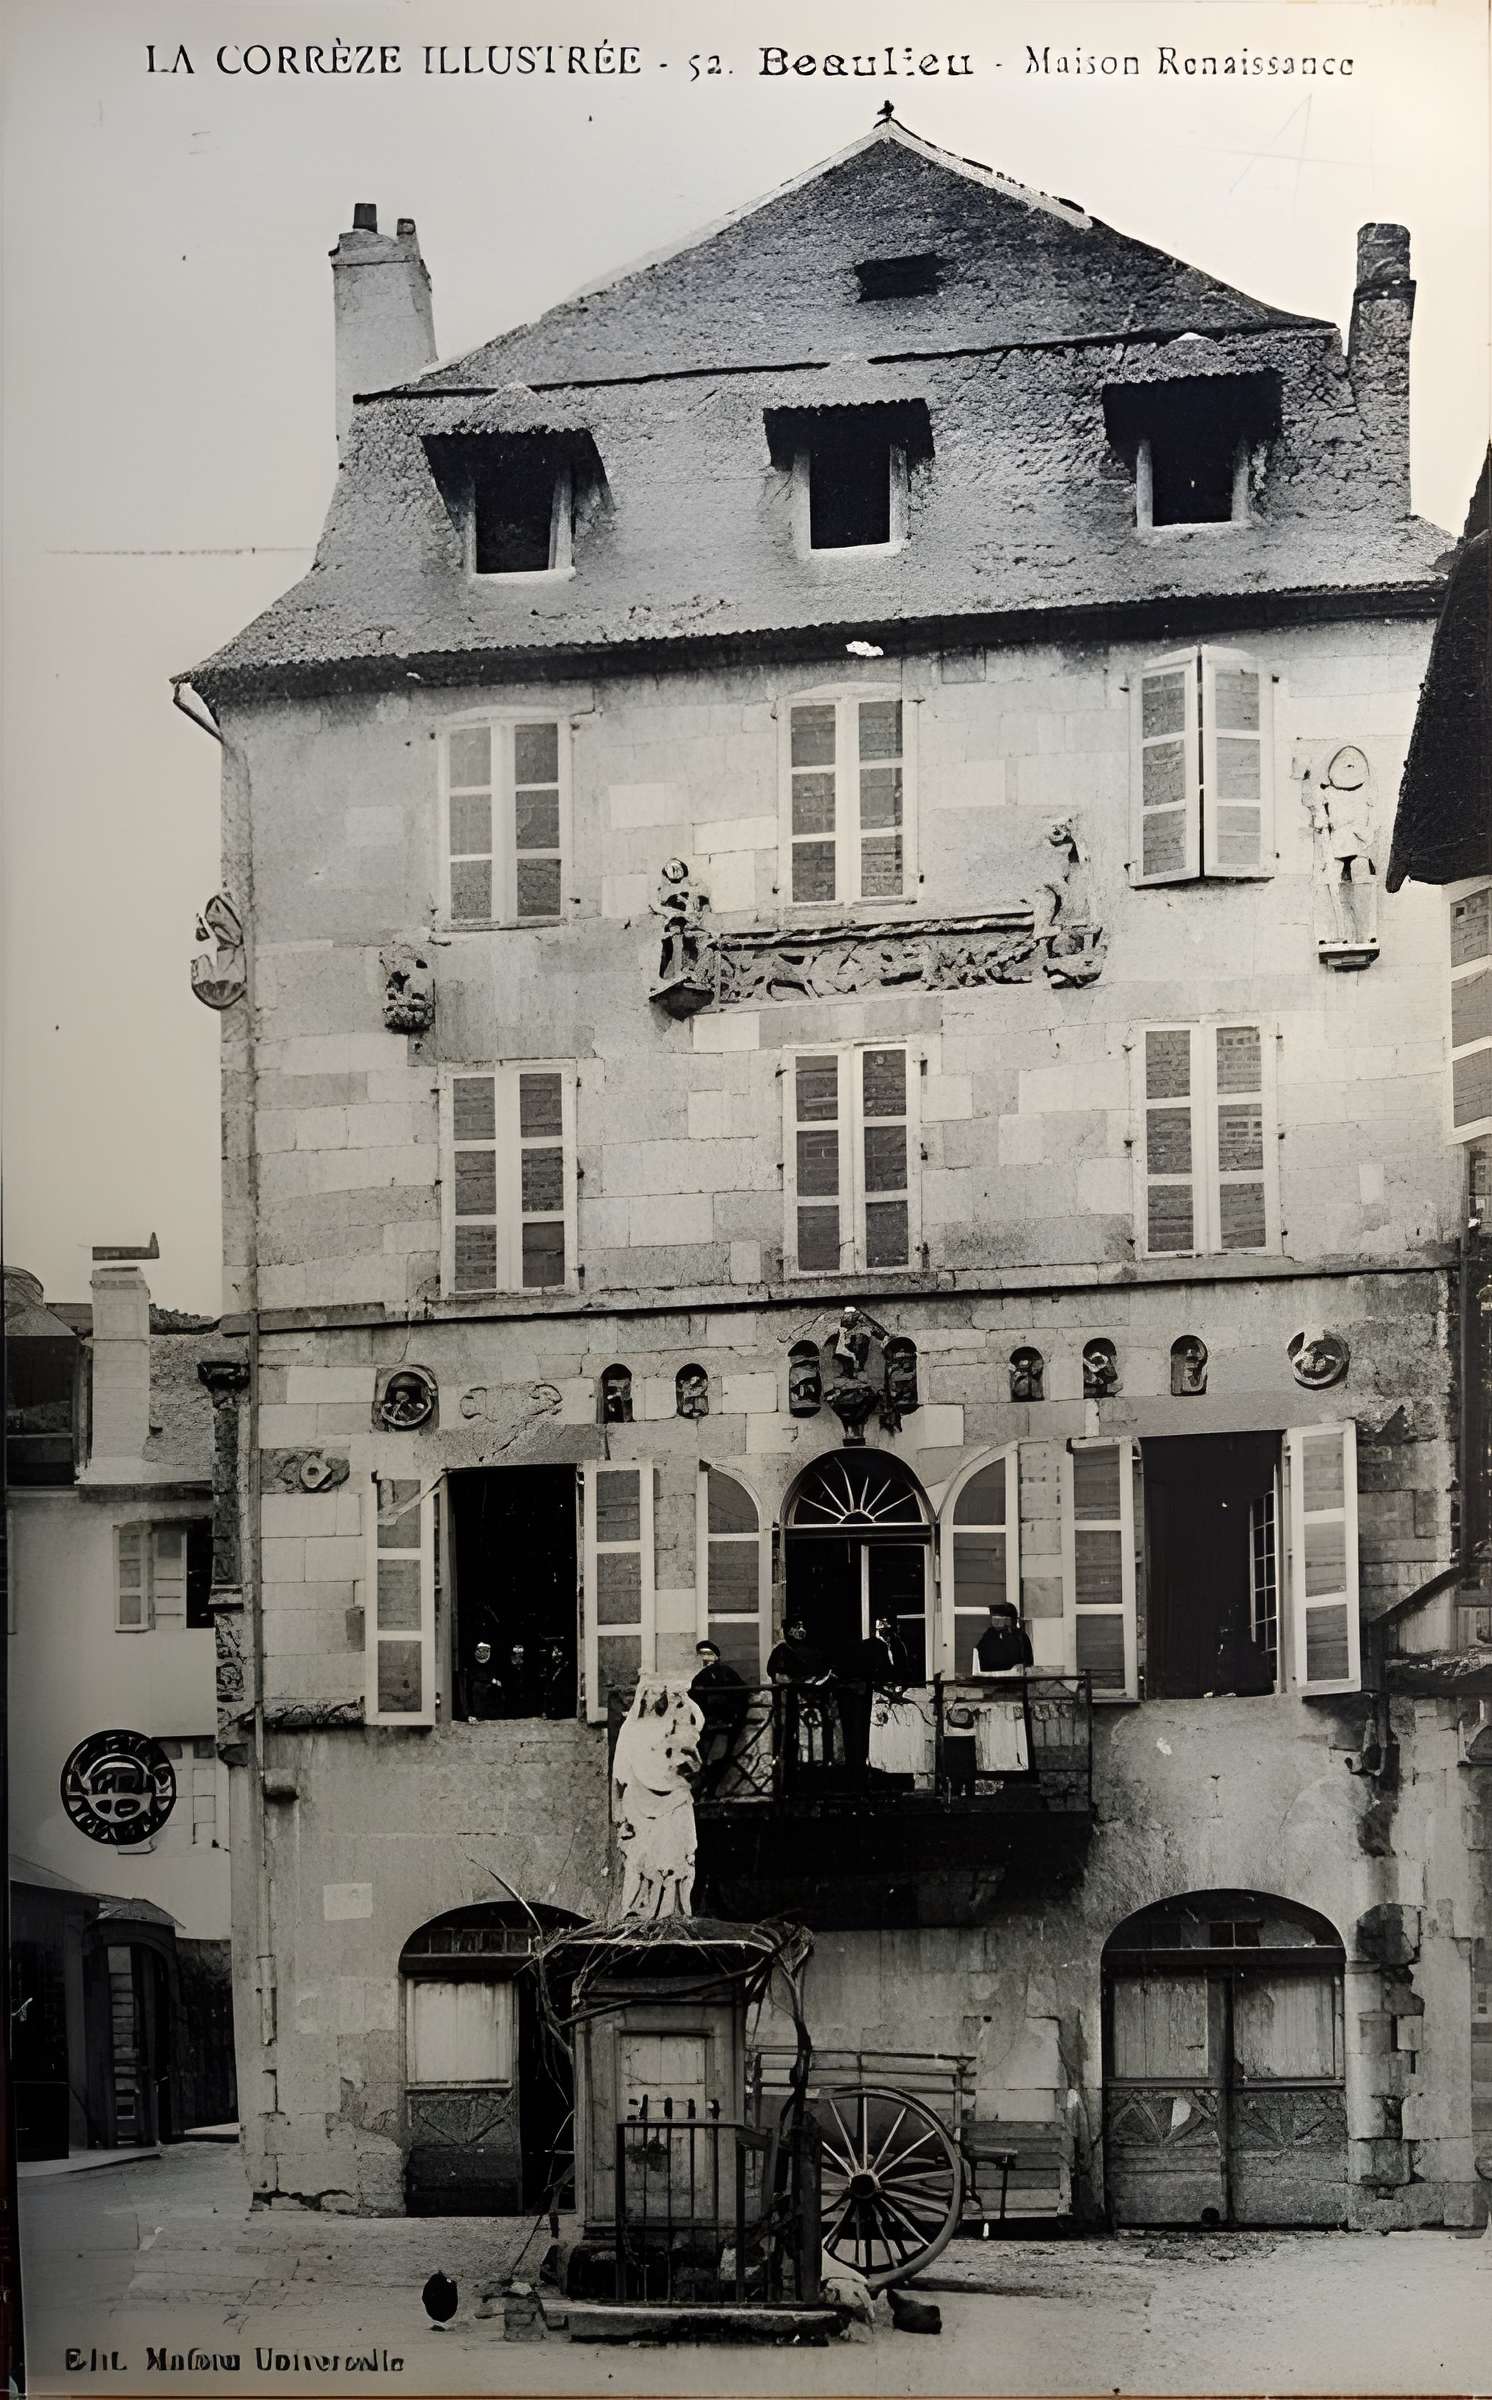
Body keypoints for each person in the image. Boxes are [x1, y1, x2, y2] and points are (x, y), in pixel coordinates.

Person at [970, 1601, 1034, 1776]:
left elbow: (1027, 1663)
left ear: (1008, 1620)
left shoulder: (1020, 1637)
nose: (994, 1620)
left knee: (1015, 1737)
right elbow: (981, 1657)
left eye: (998, 1617)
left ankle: (1019, 1770)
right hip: (992, 1692)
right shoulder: (988, 1636)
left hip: (1015, 1693)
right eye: (993, 1617)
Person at [767, 1617, 835, 1777]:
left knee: (814, 1745)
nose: (801, 1630)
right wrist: (802, 1682)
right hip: (789, 1706)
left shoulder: (812, 1651)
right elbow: (779, 1676)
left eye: (803, 1626)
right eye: (797, 1626)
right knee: (790, 1743)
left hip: (812, 1706)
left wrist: (815, 1681)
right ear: (788, 1630)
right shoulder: (781, 1652)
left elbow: (824, 1672)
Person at [689, 1639, 748, 1795]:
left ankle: (707, 1789)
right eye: (702, 1654)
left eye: (708, 1654)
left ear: (716, 1656)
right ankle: (705, 1789)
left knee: (716, 1757)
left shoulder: (725, 1672)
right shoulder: (700, 1677)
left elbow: (741, 1693)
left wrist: (733, 1715)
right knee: (708, 1757)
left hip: (722, 1723)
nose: (705, 1658)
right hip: (708, 1724)